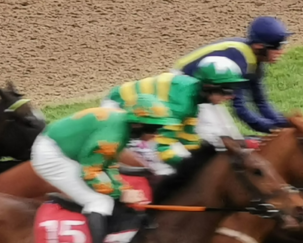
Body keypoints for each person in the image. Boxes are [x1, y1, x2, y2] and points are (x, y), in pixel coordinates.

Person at [31, 94, 178, 243]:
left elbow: (107, 164)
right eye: (155, 128)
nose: (157, 134)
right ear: (139, 124)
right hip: (51, 155)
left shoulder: (122, 129)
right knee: (99, 200)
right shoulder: (112, 136)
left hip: (67, 148)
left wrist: (123, 188)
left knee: (111, 191)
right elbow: (91, 172)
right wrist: (120, 193)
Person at [103, 56, 247, 174]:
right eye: (227, 91)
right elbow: (162, 147)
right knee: (161, 169)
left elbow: (188, 138)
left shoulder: (193, 97)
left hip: (142, 111)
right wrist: (190, 167)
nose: (231, 96)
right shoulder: (181, 105)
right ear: (209, 88)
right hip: (118, 108)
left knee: (182, 158)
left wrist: (203, 159)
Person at [173, 16, 292, 134]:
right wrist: (273, 129)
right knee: (215, 137)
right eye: (277, 46)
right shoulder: (239, 63)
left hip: (204, 91)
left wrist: (284, 124)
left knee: (229, 134)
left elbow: (260, 101)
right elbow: (240, 108)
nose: (281, 51)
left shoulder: (254, 59)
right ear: (259, 47)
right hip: (183, 88)